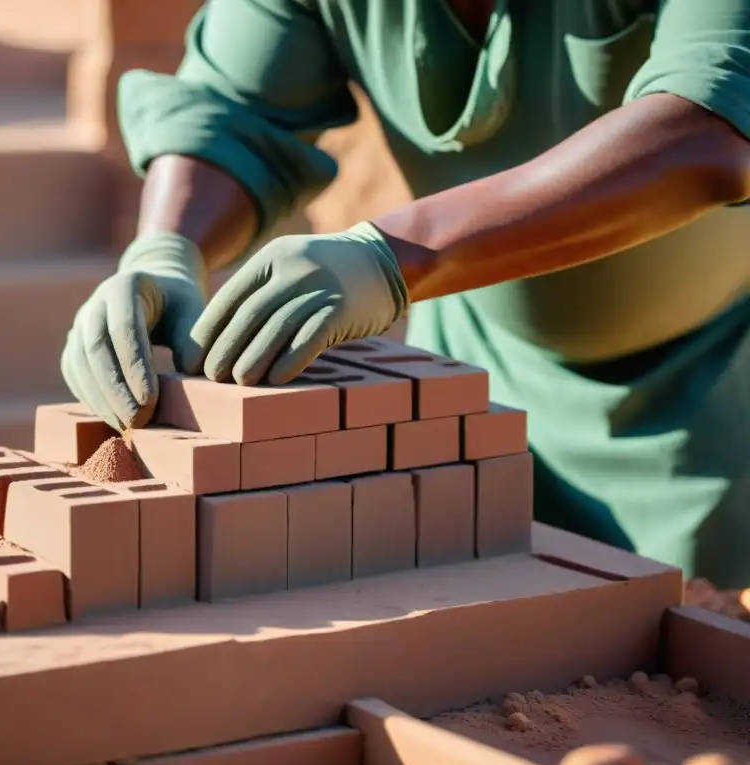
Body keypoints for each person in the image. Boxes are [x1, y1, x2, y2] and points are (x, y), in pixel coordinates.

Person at [61, 0, 750, 587]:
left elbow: (711, 129)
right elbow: (230, 110)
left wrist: (393, 255)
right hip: (484, 371)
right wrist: (167, 247)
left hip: (720, 387)